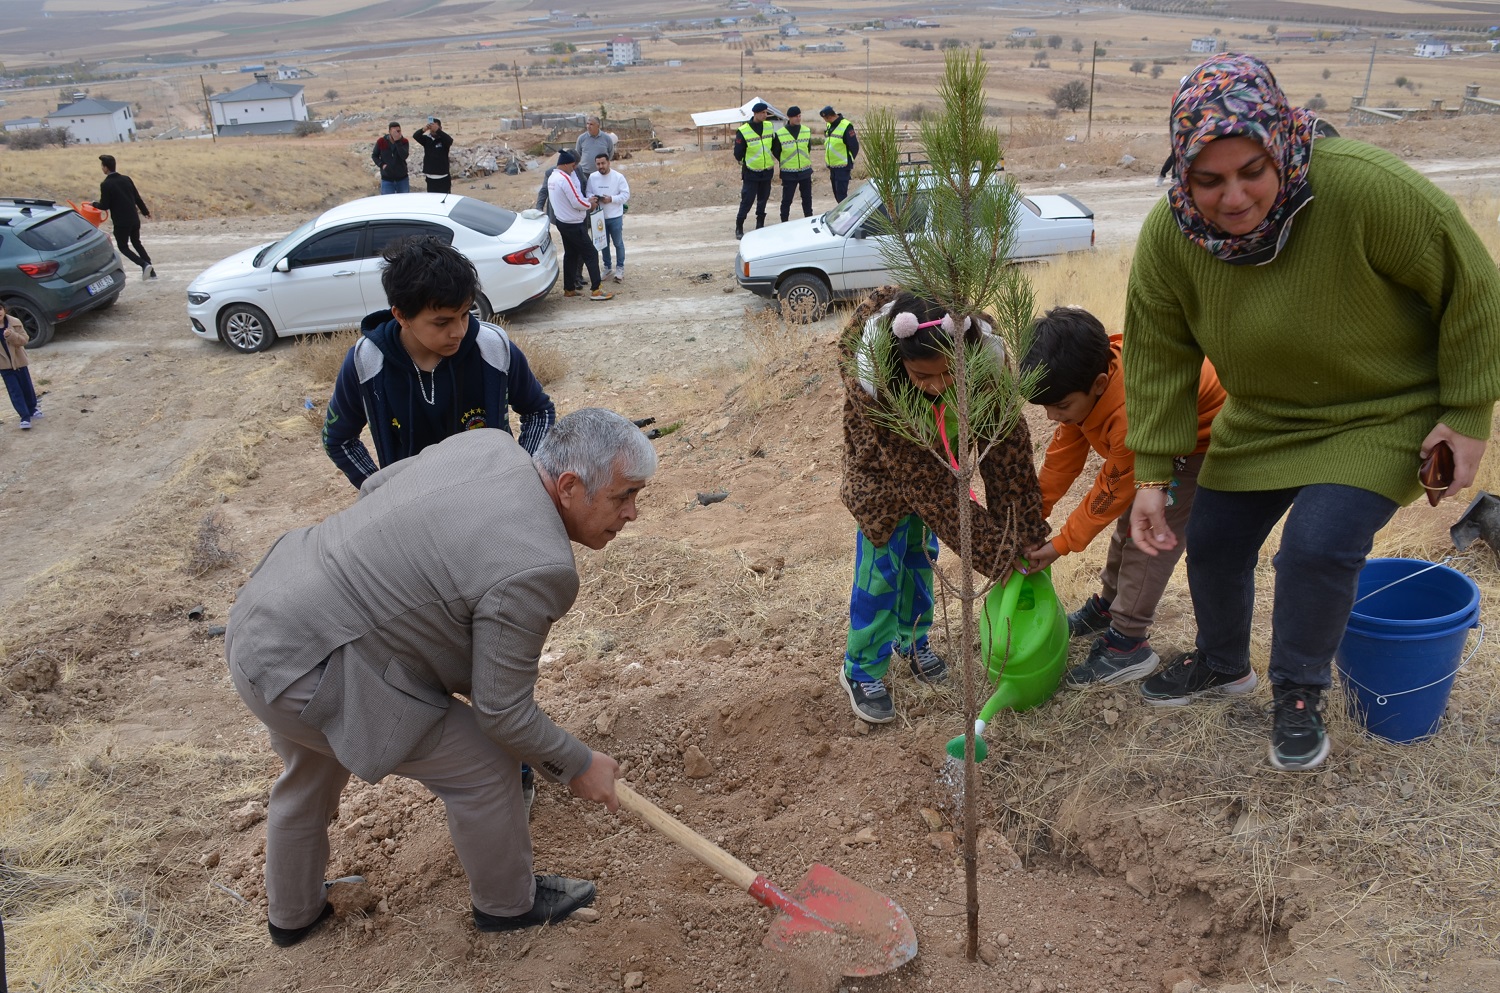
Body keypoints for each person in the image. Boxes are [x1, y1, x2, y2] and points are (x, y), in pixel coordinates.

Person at [1124, 54, 1500, 771]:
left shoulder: (1365, 190)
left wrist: (1468, 413)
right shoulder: (1172, 239)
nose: (1233, 198)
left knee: (1317, 545)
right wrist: (1151, 473)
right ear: (1181, 173)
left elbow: (1475, 290)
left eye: (1252, 172)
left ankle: (1298, 691)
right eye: (1208, 180)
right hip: (1265, 417)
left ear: (1285, 144)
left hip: (1382, 410)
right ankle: (1222, 662)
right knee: (1214, 539)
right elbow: (1156, 354)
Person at [227, 407, 655, 946]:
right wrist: (577, 765)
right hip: (311, 667)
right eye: (623, 496)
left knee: (310, 770)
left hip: (268, 617)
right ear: (569, 486)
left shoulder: (491, 447)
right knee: (485, 761)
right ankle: (507, 906)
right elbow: (503, 713)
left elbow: (378, 488)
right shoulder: (540, 565)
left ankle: (293, 914)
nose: (633, 513)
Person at [837, 287, 1050, 723]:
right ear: (901, 363)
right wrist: (996, 552)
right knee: (881, 567)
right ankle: (862, 669)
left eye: (948, 374)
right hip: (880, 475)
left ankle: (913, 641)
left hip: (941, 469)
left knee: (922, 558)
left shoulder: (986, 368)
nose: (936, 386)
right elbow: (927, 487)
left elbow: (1008, 457)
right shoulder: (879, 386)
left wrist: (1023, 534)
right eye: (922, 377)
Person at [1019, 306, 1223, 689]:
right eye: (1046, 406)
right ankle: (1110, 607)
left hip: (1194, 444)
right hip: (1158, 437)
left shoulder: (1130, 410)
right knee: (1127, 526)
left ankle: (1129, 643)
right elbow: (1062, 458)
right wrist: (1035, 513)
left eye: (1060, 407)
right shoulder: (1087, 385)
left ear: (1097, 383)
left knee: (1146, 538)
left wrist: (1060, 543)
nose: (1051, 417)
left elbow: (1108, 492)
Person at [322, 235, 556, 489]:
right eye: (442, 322)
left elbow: (539, 411)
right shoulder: (366, 362)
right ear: (402, 315)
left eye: (465, 314)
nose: (459, 331)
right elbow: (338, 439)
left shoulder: (493, 349)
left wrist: (522, 473)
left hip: (491, 500)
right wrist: (380, 491)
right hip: (414, 510)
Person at [547, 150, 612, 301]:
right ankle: (596, 289)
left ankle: (569, 288)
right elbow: (577, 201)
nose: (574, 168)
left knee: (571, 255)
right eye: (572, 165)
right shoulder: (564, 179)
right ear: (565, 164)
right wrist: (590, 204)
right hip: (573, 224)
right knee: (591, 253)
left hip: (563, 222)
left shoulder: (553, 177)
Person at [90, 154, 154, 281]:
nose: (102, 168)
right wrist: (145, 212)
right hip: (134, 219)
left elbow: (104, 205)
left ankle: (144, 264)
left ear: (106, 168)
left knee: (123, 247)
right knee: (137, 243)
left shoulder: (106, 184)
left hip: (121, 222)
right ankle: (152, 272)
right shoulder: (126, 179)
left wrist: (93, 204)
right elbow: (137, 198)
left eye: (102, 166)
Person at [733, 102, 775, 239]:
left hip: (767, 170)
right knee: (747, 200)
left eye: (766, 113)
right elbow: (738, 153)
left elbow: (773, 146)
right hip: (751, 171)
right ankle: (739, 227)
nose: (765, 115)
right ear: (755, 113)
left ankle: (760, 224)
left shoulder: (769, 126)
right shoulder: (744, 130)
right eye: (762, 113)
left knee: (763, 199)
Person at [586, 152, 630, 284]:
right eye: (598, 164)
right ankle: (607, 267)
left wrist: (611, 199)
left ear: (608, 163)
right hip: (599, 217)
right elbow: (588, 192)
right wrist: (593, 198)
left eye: (603, 163)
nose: (601, 166)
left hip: (615, 216)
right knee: (603, 244)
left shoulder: (618, 177)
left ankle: (620, 268)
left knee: (618, 243)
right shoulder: (593, 177)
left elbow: (625, 195)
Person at [0, 301, 41, 430]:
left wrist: (11, 335)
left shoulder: (15, 322)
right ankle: (24, 416)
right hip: (4, 366)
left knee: (26, 386)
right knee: (15, 391)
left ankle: (32, 409)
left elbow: (24, 340)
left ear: (4, 309)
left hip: (20, 362)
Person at [772, 105, 814, 223]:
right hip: (788, 172)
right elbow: (776, 151)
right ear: (789, 117)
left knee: (807, 198)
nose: (798, 118)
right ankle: (784, 221)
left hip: (805, 171)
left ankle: (809, 219)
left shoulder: (806, 130)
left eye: (799, 116)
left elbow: (808, 148)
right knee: (787, 199)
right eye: (796, 116)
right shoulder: (780, 134)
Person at [819, 106, 859, 203]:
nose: (825, 121)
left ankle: (845, 216)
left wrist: (848, 160)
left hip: (842, 167)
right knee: (837, 195)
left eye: (825, 119)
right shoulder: (830, 125)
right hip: (833, 166)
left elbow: (854, 146)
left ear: (829, 117)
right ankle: (841, 215)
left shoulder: (846, 126)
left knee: (842, 197)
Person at [413, 117, 454, 194]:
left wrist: (438, 130)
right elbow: (415, 136)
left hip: (443, 177)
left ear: (440, 128)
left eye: (434, 127)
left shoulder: (443, 140)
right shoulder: (427, 140)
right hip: (430, 178)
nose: (433, 129)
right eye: (431, 127)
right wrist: (424, 129)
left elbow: (450, 140)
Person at [574, 116, 616, 188]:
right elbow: (577, 154)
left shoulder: (606, 138)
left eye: (591, 124)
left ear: (598, 126)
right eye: (587, 124)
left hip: (601, 172)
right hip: (585, 174)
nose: (588, 126)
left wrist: (603, 165)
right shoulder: (581, 138)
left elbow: (610, 153)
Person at [372, 122, 410, 194]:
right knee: (387, 202)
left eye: (398, 131)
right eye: (394, 131)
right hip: (387, 179)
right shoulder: (381, 141)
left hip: (402, 178)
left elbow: (404, 156)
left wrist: (397, 141)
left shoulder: (404, 141)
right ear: (389, 132)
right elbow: (374, 155)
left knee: (404, 202)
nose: (396, 133)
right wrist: (381, 164)